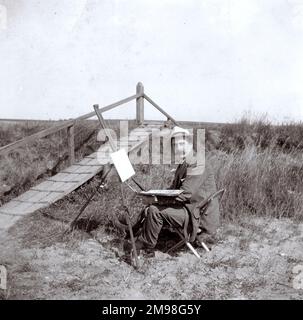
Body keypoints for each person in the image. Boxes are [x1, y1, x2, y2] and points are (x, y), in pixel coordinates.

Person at [124, 126, 220, 255]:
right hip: (192, 208)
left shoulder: (198, 163)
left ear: (190, 143)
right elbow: (176, 190)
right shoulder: (187, 162)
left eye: (182, 143)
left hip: (198, 216)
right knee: (151, 207)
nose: (178, 148)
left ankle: (145, 245)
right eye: (175, 145)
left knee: (154, 210)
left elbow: (185, 194)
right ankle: (129, 232)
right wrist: (155, 195)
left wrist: (157, 199)